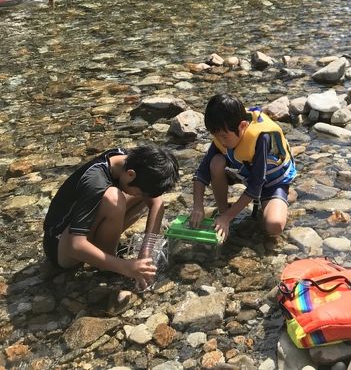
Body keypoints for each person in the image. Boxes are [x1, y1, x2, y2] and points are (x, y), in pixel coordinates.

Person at [43, 145, 179, 290]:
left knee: (147, 196)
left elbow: (157, 203)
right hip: (61, 248)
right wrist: (127, 267)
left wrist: (146, 251)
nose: (143, 197)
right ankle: (108, 265)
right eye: (141, 191)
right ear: (131, 174)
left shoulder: (129, 161)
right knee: (114, 199)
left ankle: (107, 258)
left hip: (82, 234)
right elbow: (75, 245)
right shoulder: (95, 182)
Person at [191, 93, 296, 241]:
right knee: (216, 162)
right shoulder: (224, 130)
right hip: (245, 172)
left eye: (223, 136)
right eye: (215, 135)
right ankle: (223, 213)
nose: (220, 141)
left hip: (272, 181)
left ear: (242, 126)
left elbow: (256, 186)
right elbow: (201, 173)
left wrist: (228, 217)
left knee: (274, 226)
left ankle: (282, 197)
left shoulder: (262, 137)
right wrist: (197, 206)